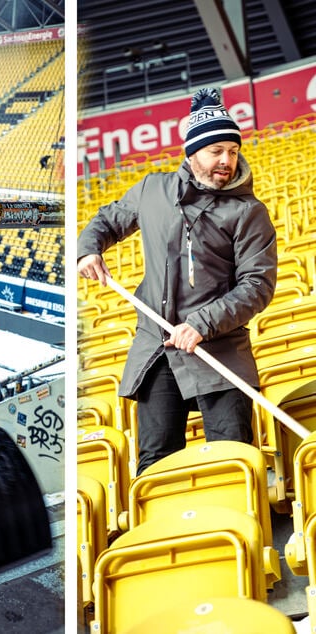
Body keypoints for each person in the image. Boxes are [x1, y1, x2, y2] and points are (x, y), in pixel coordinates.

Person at [77, 88, 277, 476]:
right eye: (216, 150)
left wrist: (201, 324)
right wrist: (89, 248)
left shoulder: (249, 212)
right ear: (192, 152)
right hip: (156, 347)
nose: (227, 160)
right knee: (155, 463)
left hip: (220, 349)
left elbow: (257, 285)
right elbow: (106, 219)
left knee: (233, 458)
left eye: (232, 151)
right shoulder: (153, 190)